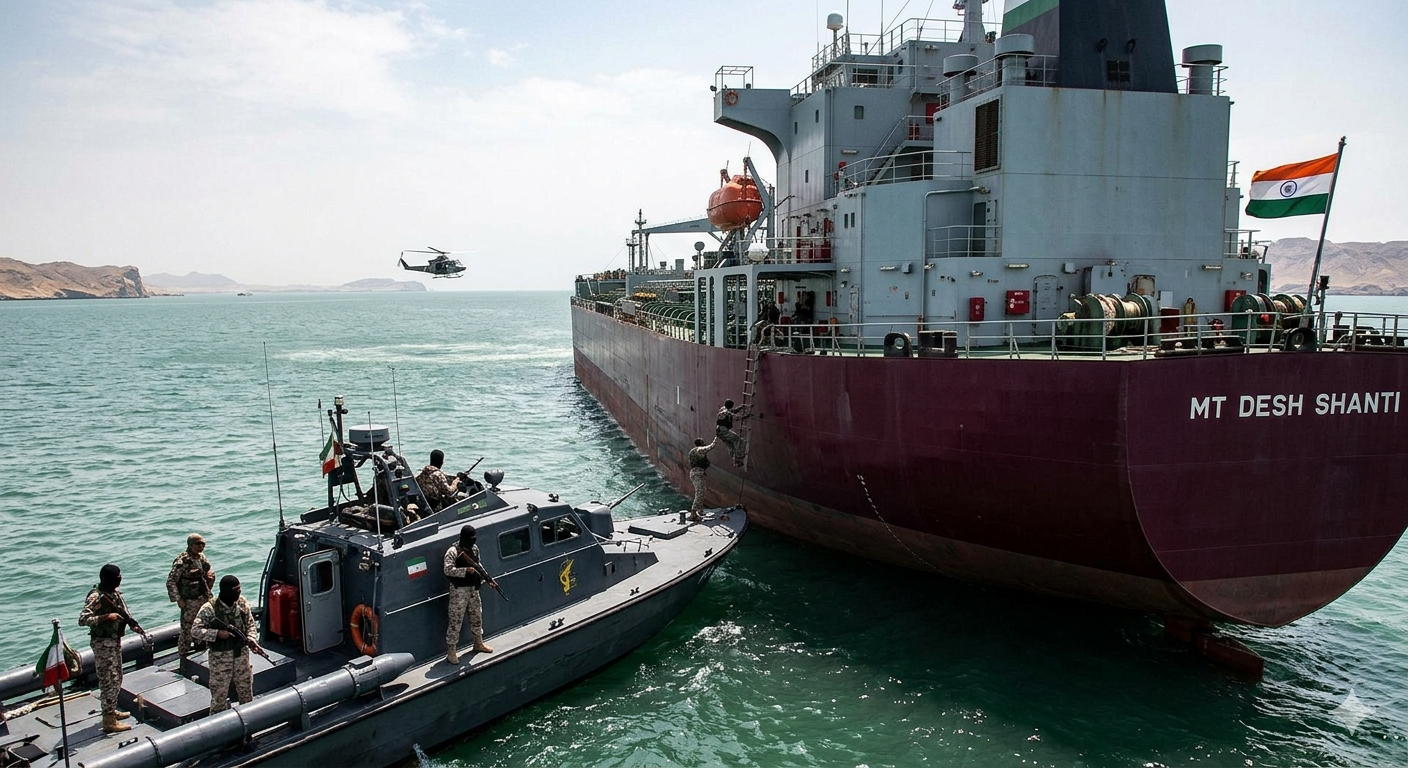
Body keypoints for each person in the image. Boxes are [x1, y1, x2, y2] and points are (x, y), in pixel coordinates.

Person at [78, 564, 143, 733]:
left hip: (114, 641)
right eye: (117, 577)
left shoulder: (114, 594)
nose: (120, 579)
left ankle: (111, 710)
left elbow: (123, 612)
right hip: (102, 644)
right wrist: (106, 617)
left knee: (117, 678)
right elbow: (83, 619)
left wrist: (132, 624)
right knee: (108, 681)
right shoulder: (96, 596)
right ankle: (108, 721)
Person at [193, 575, 261, 714]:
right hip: (220, 660)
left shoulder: (242, 603)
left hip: (241, 656)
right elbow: (195, 630)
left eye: (239, 589)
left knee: (246, 693)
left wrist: (251, 639)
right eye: (236, 590)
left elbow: (250, 624)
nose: (239, 592)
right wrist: (217, 633)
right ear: (226, 591)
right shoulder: (210, 608)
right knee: (219, 696)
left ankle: (249, 721)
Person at [443, 524, 497, 664]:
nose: (473, 540)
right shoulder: (453, 551)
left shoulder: (474, 549)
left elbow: (478, 565)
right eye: (471, 538)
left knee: (476, 615)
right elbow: (448, 570)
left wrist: (488, 579)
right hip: (459, 591)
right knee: (455, 620)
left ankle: (478, 643)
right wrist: (465, 570)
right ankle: (451, 652)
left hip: (473, 588)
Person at [166, 533, 215, 658]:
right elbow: (171, 581)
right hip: (189, 601)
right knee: (187, 629)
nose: (201, 547)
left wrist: (209, 578)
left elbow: (207, 572)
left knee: (204, 625)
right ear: (190, 545)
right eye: (198, 544)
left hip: (203, 597)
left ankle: (201, 651)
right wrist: (178, 599)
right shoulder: (182, 562)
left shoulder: (202, 558)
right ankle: (183, 655)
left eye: (203, 544)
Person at [687, 437, 718, 523]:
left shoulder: (692, 451)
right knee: (699, 492)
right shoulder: (699, 450)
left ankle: (700, 511)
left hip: (698, 473)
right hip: (697, 474)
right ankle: (693, 513)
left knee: (702, 491)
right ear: (700, 443)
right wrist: (716, 438)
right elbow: (711, 446)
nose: (704, 443)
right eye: (703, 442)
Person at [715, 399, 749, 467]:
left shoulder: (723, 409)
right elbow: (736, 418)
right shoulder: (727, 413)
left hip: (719, 431)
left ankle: (735, 461)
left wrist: (740, 407)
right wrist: (746, 416)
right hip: (724, 431)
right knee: (738, 440)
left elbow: (733, 411)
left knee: (730, 444)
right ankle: (738, 457)